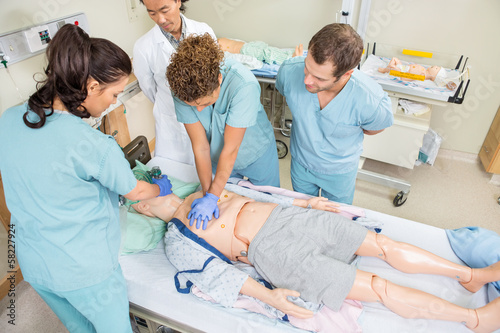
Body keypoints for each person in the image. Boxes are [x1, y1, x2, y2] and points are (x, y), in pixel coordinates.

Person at [128, 180, 500, 332]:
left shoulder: (205, 188)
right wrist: (269, 296)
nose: (156, 183)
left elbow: (258, 197)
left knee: (384, 247)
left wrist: (306, 202)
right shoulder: (176, 240)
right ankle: (473, 319)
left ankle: (469, 276)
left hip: (294, 217)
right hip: (275, 253)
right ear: (142, 209)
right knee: (376, 286)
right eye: (143, 187)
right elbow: (216, 276)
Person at [0, 24, 172, 333]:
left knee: (79, 328)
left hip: (35, 264)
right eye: (115, 94)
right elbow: (134, 191)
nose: (115, 103)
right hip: (85, 272)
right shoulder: (95, 146)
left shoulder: (9, 119)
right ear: (92, 87)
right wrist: (159, 187)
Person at [166, 34, 280, 229]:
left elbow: (231, 149)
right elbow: (200, 147)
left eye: (206, 103)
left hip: (255, 152)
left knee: (268, 205)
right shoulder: (181, 89)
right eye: (193, 106)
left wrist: (212, 195)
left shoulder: (243, 85)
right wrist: (207, 193)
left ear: (219, 79)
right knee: (228, 202)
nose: (199, 110)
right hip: (217, 156)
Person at [276, 23, 394, 205]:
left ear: (346, 74)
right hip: (301, 163)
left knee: (337, 217)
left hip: (340, 171)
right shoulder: (289, 72)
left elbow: (375, 128)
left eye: (320, 78)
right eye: (307, 67)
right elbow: (287, 90)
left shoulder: (369, 100)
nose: (307, 80)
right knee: (303, 213)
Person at [133, 0, 216, 164]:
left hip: (205, 115)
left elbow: (214, 74)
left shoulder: (203, 30)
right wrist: (171, 105)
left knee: (209, 168)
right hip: (171, 122)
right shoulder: (143, 47)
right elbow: (149, 88)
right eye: (152, 13)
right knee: (176, 174)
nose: (160, 19)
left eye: (164, 10)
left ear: (178, 1)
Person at [378, 57, 457, 90]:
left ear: (434, 76)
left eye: (436, 68)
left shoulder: (423, 76)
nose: (435, 66)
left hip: (402, 71)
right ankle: (388, 68)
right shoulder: (424, 70)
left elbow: (410, 78)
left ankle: (385, 70)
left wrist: (401, 75)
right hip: (404, 67)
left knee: (392, 66)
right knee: (394, 59)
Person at [217, 37, 304, 65]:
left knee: (266, 51)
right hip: (246, 48)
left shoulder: (215, 41)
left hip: (246, 47)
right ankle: (289, 56)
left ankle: (289, 56)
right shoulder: (216, 45)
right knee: (265, 52)